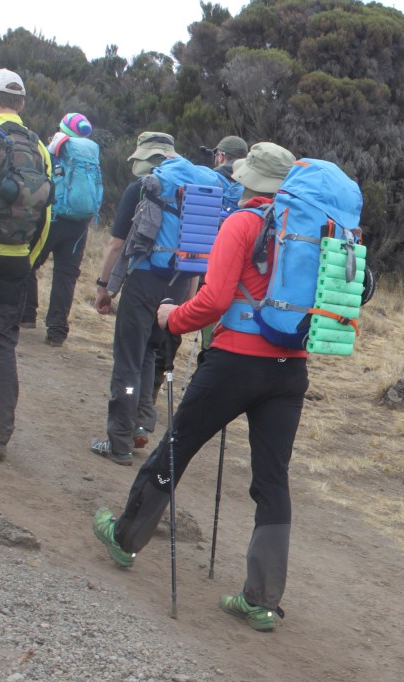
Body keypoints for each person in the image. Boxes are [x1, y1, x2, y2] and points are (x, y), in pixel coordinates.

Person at [92, 142, 302, 632]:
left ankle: (125, 539)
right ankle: (262, 600)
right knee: (273, 480)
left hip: (235, 362)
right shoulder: (306, 231)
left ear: (248, 179)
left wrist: (173, 318)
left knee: (177, 446)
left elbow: (212, 300)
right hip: (291, 369)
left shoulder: (243, 223)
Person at [90, 132, 197, 464]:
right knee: (151, 352)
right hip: (178, 285)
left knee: (128, 359)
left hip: (144, 281)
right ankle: (141, 424)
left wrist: (104, 286)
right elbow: (197, 254)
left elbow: (116, 245)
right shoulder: (195, 191)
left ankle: (119, 441)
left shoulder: (141, 189)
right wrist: (187, 300)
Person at [0, 68, 52, 462]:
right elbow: (47, 215)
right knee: (1, 343)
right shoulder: (39, 147)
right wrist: (28, 260)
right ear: (23, 104)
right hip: (15, 262)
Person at [21, 113, 100, 347]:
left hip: (52, 218)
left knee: (29, 262)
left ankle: (26, 315)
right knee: (66, 276)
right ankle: (56, 331)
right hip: (80, 224)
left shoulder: (54, 147)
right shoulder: (91, 154)